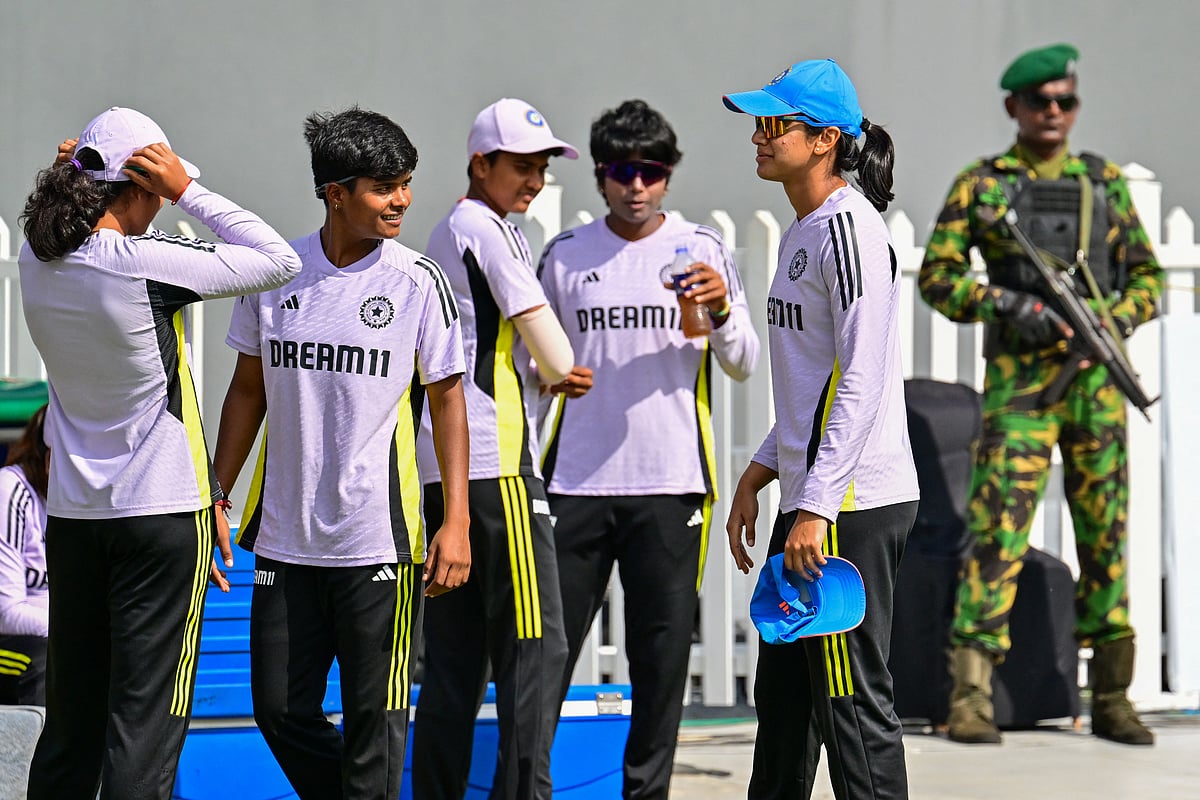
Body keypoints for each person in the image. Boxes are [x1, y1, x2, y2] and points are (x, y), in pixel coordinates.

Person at [17, 105, 301, 800]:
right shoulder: (138, 263)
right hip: (162, 519)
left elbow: (63, 214)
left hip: (79, 519)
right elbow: (279, 260)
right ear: (140, 187)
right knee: (146, 724)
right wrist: (188, 191)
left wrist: (72, 169)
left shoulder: (36, 254)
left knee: (73, 723)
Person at [212, 106, 471, 800]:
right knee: (279, 711)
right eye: (385, 187)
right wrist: (217, 491)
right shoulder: (278, 275)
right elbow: (246, 391)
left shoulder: (417, 280)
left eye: (407, 183)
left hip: (376, 543)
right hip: (284, 539)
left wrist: (458, 521)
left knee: (375, 727)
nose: (402, 200)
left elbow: (448, 399)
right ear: (335, 192)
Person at [919, 43, 1162, 747]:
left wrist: (1111, 320)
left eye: (1065, 101)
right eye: (1039, 102)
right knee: (998, 535)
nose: (1053, 113)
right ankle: (970, 694)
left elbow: (1147, 276)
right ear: (1013, 109)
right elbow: (939, 276)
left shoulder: (1103, 183)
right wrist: (1008, 305)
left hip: (1094, 386)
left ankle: (1112, 695)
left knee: (1106, 538)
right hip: (1023, 390)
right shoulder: (983, 185)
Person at [537, 98, 759, 800]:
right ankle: (528, 786)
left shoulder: (699, 250)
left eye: (653, 171)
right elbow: (527, 368)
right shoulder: (566, 257)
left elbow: (744, 361)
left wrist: (722, 308)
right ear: (600, 176)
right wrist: (550, 377)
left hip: (669, 485)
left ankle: (647, 794)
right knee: (546, 657)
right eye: (624, 171)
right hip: (573, 483)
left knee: (660, 663)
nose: (638, 186)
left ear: (669, 176)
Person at [722, 59, 919, 799]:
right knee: (785, 706)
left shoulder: (850, 232)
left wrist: (815, 508)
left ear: (826, 140)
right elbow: (815, 387)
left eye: (776, 124)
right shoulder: (803, 230)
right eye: (758, 121)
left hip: (850, 508)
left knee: (850, 707)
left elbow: (863, 378)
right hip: (818, 503)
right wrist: (759, 471)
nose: (759, 137)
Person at [411, 98, 577, 800]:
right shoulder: (488, 226)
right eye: (522, 166)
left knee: (453, 661)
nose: (534, 180)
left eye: (541, 166)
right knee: (536, 648)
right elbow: (553, 346)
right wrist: (560, 370)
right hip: (496, 464)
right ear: (480, 164)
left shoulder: (443, 229)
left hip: (437, 466)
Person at [0, 404, 49, 706]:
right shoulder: (12, 489)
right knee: (48, 662)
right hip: (11, 640)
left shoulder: (79, 504)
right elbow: (6, 613)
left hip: (59, 634)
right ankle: (35, 754)